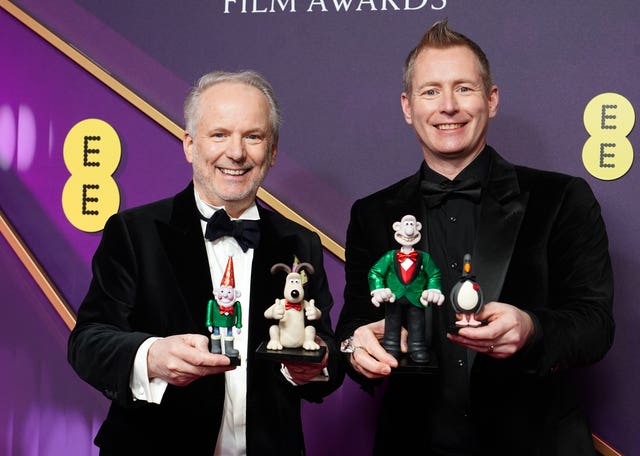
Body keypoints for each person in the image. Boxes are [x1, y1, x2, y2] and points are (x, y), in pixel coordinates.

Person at [335, 19, 614, 456]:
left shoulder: (560, 198)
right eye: (431, 91)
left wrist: (531, 328)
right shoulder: (372, 214)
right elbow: (352, 328)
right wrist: (355, 350)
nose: (448, 106)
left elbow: (596, 325)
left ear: (492, 99)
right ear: (408, 107)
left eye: (464, 88)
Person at [68, 69, 343, 455]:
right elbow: (87, 342)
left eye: (253, 136)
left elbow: (324, 349)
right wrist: (152, 356)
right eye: (219, 135)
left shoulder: (300, 243)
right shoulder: (134, 231)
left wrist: (314, 366)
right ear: (190, 145)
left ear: (273, 150)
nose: (236, 152)